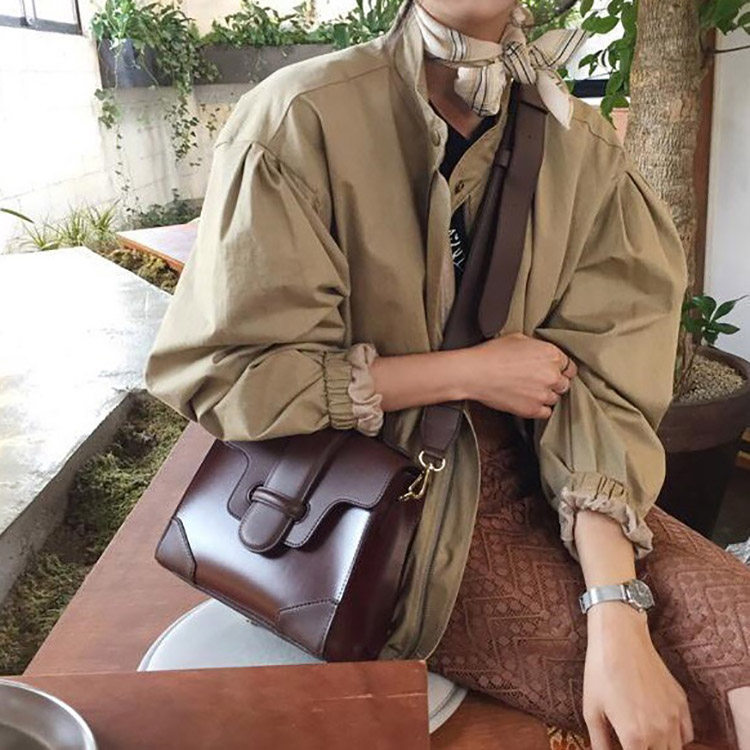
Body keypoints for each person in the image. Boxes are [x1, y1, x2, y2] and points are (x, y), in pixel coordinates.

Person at [142, 0, 750, 746]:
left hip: (550, 474)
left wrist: (615, 601)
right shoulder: (303, 119)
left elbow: (599, 387)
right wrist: (468, 373)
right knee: (677, 711)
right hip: (387, 502)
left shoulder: (576, 143)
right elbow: (229, 374)